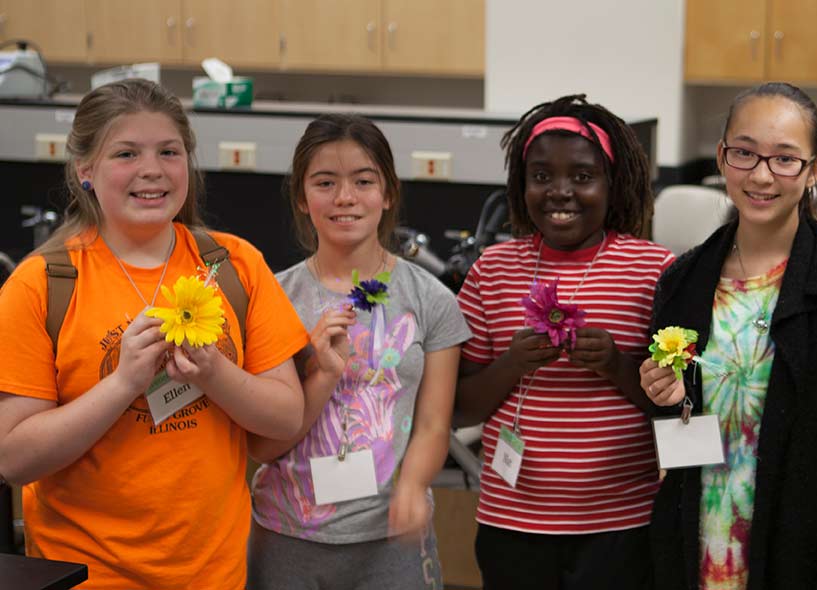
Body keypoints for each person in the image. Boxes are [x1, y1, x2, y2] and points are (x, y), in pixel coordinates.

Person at [0, 78, 307, 589]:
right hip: (86, 576)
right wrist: (122, 384)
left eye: (169, 151)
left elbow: (284, 417)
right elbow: (13, 458)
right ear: (86, 171)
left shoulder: (235, 265)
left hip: (215, 576)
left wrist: (213, 372)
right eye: (126, 153)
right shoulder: (40, 285)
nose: (152, 170)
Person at [640, 82, 817, 590]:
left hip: (797, 551)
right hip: (696, 543)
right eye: (745, 153)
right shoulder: (681, 280)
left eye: (785, 159)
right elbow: (672, 426)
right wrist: (665, 395)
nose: (762, 175)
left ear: (815, 170)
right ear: (722, 157)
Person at [454, 94, 674, 589]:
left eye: (582, 176)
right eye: (541, 176)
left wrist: (618, 365)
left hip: (622, 524)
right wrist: (511, 364)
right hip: (513, 522)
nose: (560, 192)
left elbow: (682, 407)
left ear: (612, 184)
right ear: (520, 184)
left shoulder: (654, 270)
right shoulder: (493, 270)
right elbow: (459, 408)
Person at [247, 114, 470, 590]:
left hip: (390, 541)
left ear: (387, 193)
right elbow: (261, 445)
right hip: (286, 535)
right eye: (325, 182)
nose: (345, 197)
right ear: (302, 198)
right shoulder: (272, 298)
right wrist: (319, 373)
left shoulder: (431, 300)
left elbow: (434, 423)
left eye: (363, 181)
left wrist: (411, 486)